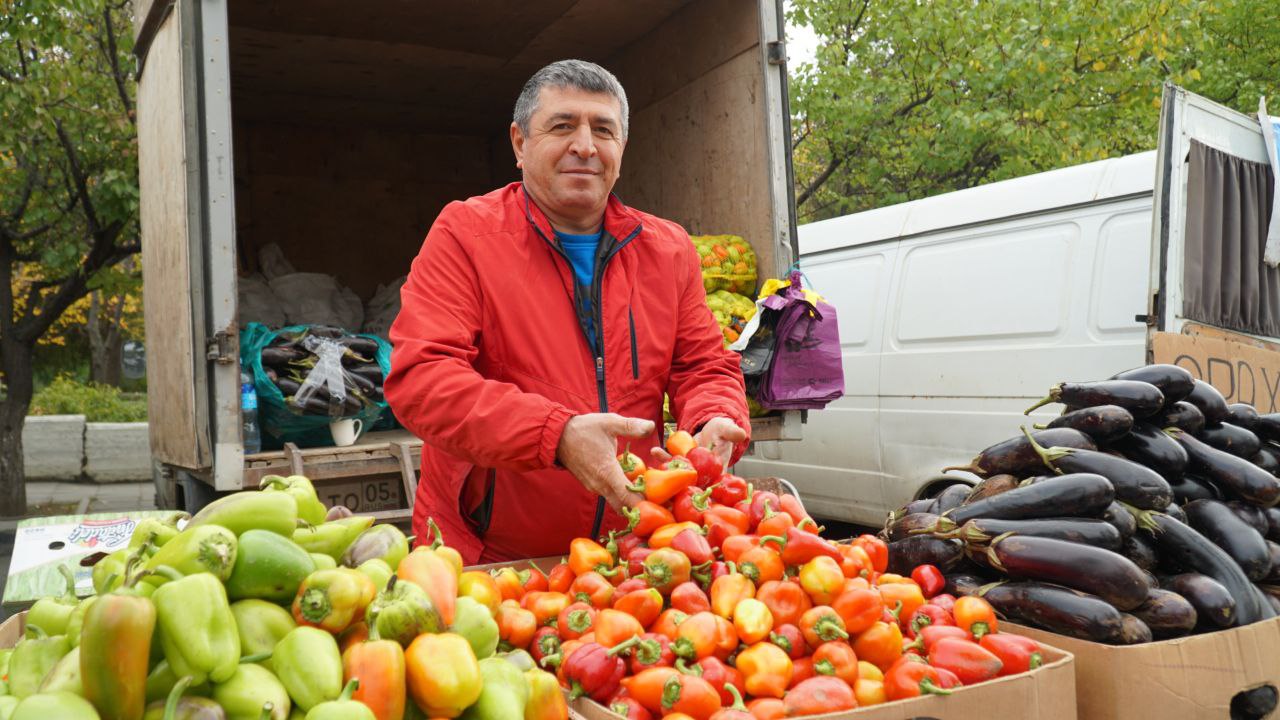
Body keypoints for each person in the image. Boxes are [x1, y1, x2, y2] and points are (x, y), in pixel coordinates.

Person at [385, 59, 750, 564]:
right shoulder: (465, 234)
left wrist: (716, 415)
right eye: (562, 126)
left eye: (604, 129)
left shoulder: (669, 249)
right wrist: (555, 435)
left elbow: (705, 366)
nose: (585, 145)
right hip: (490, 558)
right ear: (519, 143)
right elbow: (422, 379)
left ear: (621, 148)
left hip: (632, 551)